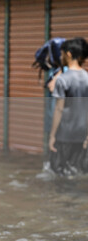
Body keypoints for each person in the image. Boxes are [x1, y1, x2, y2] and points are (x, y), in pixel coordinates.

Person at [48, 37, 88, 176]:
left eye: (62, 53)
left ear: (69, 54)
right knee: (78, 172)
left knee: (58, 173)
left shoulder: (63, 80)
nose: (60, 56)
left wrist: (52, 135)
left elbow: (59, 109)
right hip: (82, 135)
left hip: (64, 135)